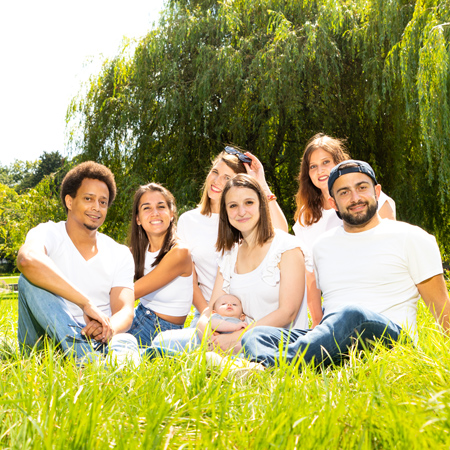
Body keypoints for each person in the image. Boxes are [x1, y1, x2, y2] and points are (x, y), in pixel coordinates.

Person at [241, 160, 450, 368]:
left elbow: (442, 308)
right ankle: (273, 367)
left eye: (362, 188)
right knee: (257, 334)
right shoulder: (322, 246)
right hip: (336, 339)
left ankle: (264, 366)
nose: (355, 198)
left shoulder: (411, 237)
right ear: (333, 203)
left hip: (391, 342)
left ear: (377, 192)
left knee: (352, 315)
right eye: (344, 192)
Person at [17, 161, 140, 365]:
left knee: (126, 340)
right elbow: (27, 259)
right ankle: (88, 360)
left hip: (97, 340)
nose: (96, 207)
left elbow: (125, 311)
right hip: (46, 343)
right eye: (88, 198)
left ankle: (102, 365)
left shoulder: (119, 253)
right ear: (69, 201)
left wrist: (107, 327)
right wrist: (86, 303)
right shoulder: (48, 233)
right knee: (28, 280)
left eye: (103, 202)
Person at [197, 174, 308, 354]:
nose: (241, 212)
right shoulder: (229, 255)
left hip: (277, 345)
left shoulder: (287, 247)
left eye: (249, 203)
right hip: (230, 340)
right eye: (233, 205)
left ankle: (243, 369)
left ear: (261, 205)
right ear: (225, 212)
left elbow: (288, 312)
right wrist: (207, 336)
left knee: (210, 358)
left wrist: (237, 339)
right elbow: (210, 312)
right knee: (164, 343)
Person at [177, 146, 288, 325]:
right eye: (215, 172)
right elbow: (189, 276)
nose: (217, 180)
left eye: (227, 177)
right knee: (168, 344)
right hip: (211, 312)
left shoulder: (245, 218)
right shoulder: (188, 221)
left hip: (251, 315)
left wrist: (261, 183)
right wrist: (208, 313)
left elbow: (282, 234)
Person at [293, 134, 396, 327]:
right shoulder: (305, 217)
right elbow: (310, 274)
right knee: (261, 336)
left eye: (326, 162)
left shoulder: (375, 201)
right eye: (313, 166)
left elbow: (389, 252)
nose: (320, 170)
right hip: (334, 308)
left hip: (377, 301)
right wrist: (317, 322)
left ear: (339, 163)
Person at [127, 183, 193, 347]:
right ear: (138, 219)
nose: (155, 213)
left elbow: (131, 292)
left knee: (98, 346)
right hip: (139, 315)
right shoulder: (139, 252)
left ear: (171, 214)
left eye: (161, 206)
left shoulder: (180, 253)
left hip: (159, 329)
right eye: (147, 208)